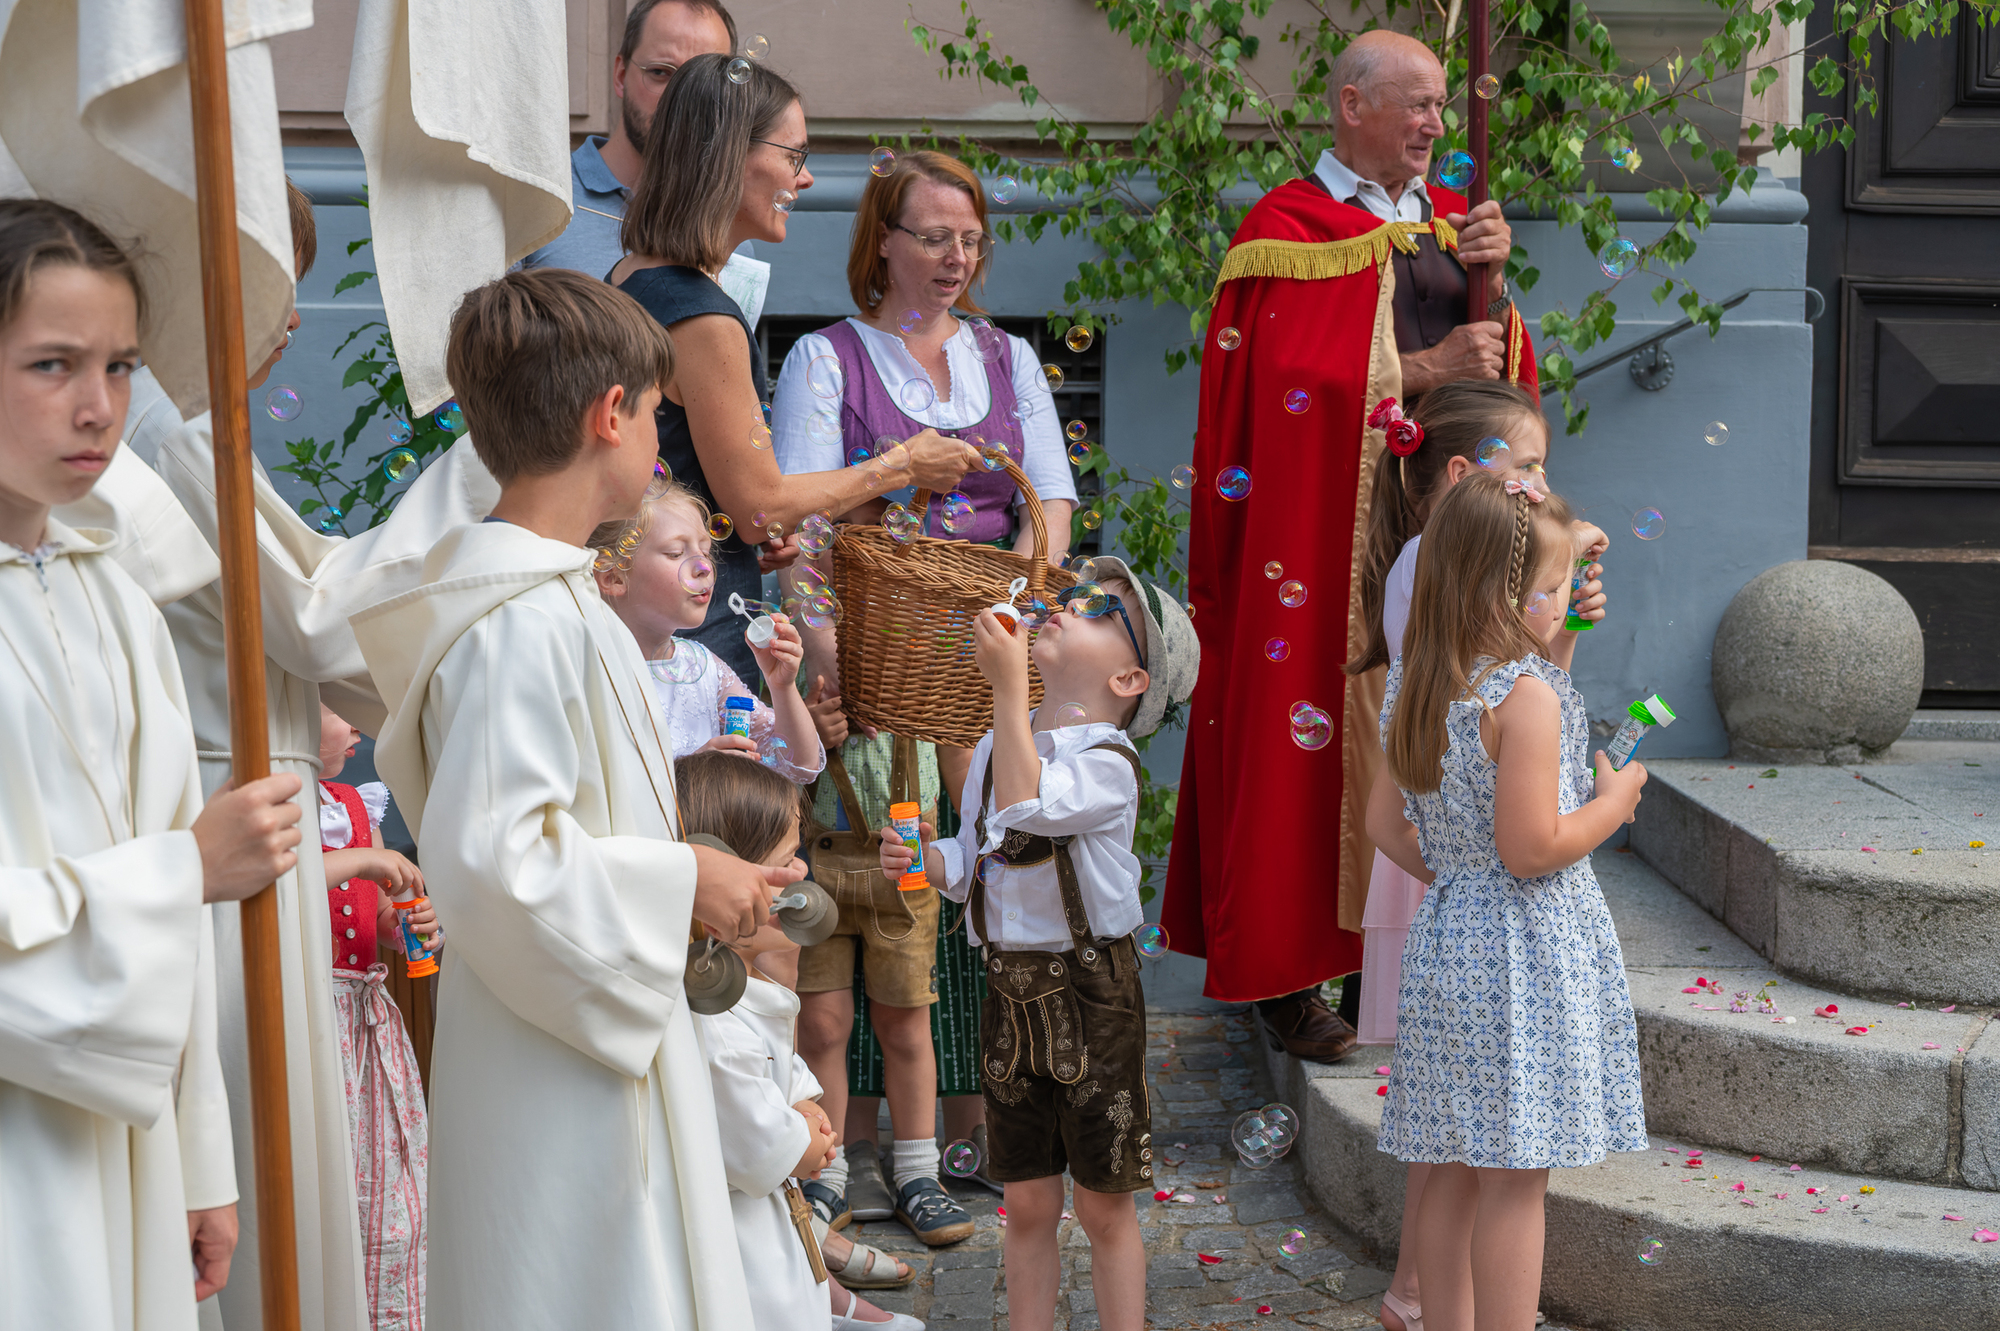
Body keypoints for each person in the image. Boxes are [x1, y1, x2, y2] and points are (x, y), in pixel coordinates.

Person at [80, 178, 502, 1330]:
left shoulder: (181, 425)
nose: (284, 330)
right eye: (272, 293)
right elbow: (317, 618)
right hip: (226, 826)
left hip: (252, 807)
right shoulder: (165, 431)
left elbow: (316, 624)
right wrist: (486, 459)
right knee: (254, 1185)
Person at [352, 267, 798, 1330]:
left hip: (585, 1021)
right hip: (561, 1059)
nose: (659, 436)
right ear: (611, 415)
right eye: (656, 412)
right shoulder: (523, 619)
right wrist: (686, 872)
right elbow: (502, 862)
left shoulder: (554, 596)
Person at [1162, 28, 1539, 1063]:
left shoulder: (1449, 227)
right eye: (1412, 104)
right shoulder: (1285, 230)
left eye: (1436, 108)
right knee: (1311, 741)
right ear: (1348, 105)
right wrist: (1421, 368)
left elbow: (1494, 390)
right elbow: (1285, 391)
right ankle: (1288, 976)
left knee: (1432, 726)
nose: (1430, 124)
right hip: (1323, 536)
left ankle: (1404, 956)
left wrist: (1494, 293)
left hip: (1429, 528)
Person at [0, 197, 303, 1327]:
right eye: (52, 364)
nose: (99, 408)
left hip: (126, 1130)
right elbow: (182, 874)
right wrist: (185, 868)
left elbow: (175, 942)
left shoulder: (113, 596)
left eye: (121, 365)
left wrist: (196, 1161)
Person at [771, 147, 1076, 1240]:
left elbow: (1049, 499)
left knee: (1001, 870)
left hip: (983, 645)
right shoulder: (824, 358)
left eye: (970, 237)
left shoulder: (1008, 358)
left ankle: (984, 1126)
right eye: (933, 235)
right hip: (870, 650)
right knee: (863, 892)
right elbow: (804, 524)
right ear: (883, 243)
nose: (955, 257)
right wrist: (825, 659)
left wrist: (1020, 617)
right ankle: (838, 1146)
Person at [1341, 381, 1605, 1331]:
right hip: (1521, 960)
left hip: (1450, 942)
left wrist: (1462, 875)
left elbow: (1381, 824)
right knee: (1514, 1181)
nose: (1564, 602)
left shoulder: (1420, 676)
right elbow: (1535, 845)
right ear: (1509, 592)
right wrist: (1612, 805)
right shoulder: (1524, 698)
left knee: (1450, 1164)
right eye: (1552, 589)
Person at [881, 556, 1200, 1331]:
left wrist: (1004, 690)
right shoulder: (999, 743)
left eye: (1099, 611)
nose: (1069, 605)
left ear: (1129, 680)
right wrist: (931, 859)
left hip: (1093, 997)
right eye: (1078, 595)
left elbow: (1030, 809)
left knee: (1102, 1205)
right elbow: (980, 851)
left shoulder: (1109, 765)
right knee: (1025, 1200)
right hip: (1007, 989)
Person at [612, 52, 979, 685]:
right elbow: (759, 507)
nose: (805, 180)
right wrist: (904, 464)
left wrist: (734, 545)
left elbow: (679, 487)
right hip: (694, 655)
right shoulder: (704, 319)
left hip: (646, 623)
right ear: (729, 156)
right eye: (795, 156)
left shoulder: (630, 277)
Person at [677, 751, 926, 1331]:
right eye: (789, 861)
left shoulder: (749, 995)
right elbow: (759, 1147)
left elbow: (786, 1078)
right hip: (745, 1260)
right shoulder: (711, 1027)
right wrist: (804, 1140)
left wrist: (803, 1110)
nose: (802, 881)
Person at [316, 704, 436, 1331]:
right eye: (340, 712)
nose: (357, 731)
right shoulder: (277, 804)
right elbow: (282, 880)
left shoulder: (354, 803)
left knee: (390, 1194)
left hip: (366, 1014)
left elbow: (376, 915)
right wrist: (364, 863)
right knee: (330, 1184)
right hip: (315, 1019)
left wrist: (405, 923)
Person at [588, 474, 825, 780]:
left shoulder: (702, 667)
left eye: (705, 550)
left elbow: (799, 767)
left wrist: (781, 686)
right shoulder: (588, 669)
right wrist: (690, 773)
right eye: (676, 553)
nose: (703, 567)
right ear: (613, 577)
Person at [517, 0, 738, 279]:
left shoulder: (728, 227)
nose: (679, 100)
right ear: (621, 75)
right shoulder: (540, 196)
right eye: (661, 72)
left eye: (704, 83)